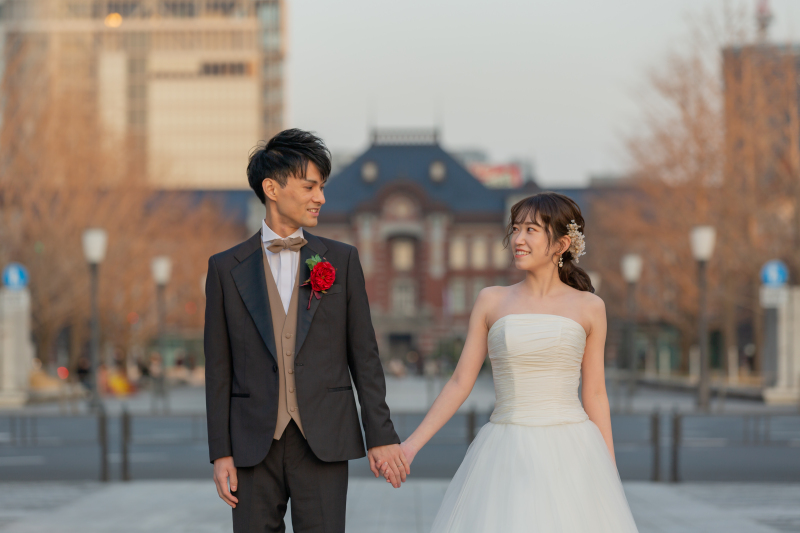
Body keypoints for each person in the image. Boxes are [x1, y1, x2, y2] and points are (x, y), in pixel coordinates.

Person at [204, 128, 409, 533]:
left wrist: (381, 435)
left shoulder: (341, 261)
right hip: (251, 444)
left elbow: (364, 358)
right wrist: (220, 453)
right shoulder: (225, 268)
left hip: (325, 440)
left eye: (323, 187)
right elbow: (218, 368)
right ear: (272, 188)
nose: (321, 197)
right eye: (310, 186)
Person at [398, 192, 639, 532]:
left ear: (561, 243)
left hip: (573, 449)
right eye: (515, 229)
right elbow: (459, 382)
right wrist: (410, 447)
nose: (518, 239)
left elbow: (596, 394)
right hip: (505, 448)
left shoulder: (590, 307)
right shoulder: (491, 300)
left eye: (531, 230)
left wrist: (609, 472)